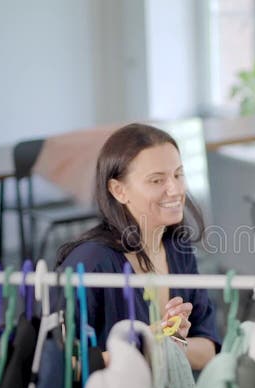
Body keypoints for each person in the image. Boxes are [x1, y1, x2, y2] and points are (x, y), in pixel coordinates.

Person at [56, 123, 220, 370]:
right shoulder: (90, 263)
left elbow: (208, 349)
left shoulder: (178, 249)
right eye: (157, 180)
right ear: (119, 190)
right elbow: (63, 366)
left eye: (178, 174)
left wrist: (171, 342)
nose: (175, 189)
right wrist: (143, 348)